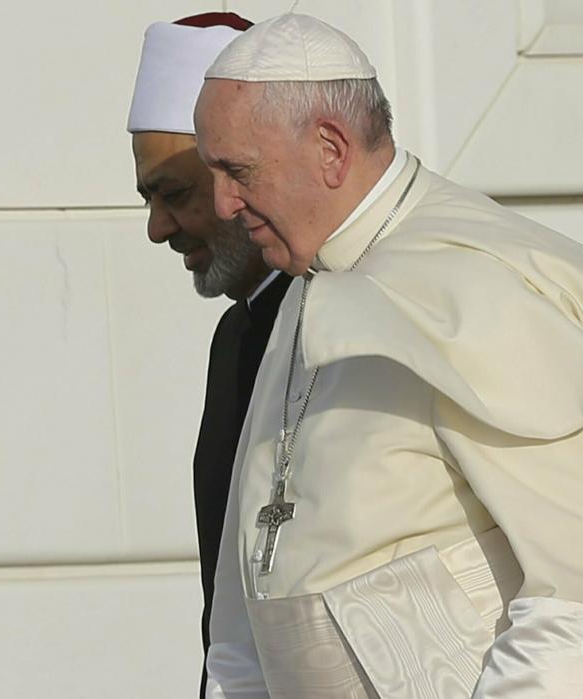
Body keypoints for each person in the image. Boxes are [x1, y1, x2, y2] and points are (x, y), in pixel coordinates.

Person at [194, 12, 583, 698]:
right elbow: (242, 623)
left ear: (330, 149)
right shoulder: (305, 285)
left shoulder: (482, 281)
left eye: (239, 171)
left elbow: (572, 592)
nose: (224, 203)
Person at [126, 13, 291, 697]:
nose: (157, 228)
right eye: (150, 199)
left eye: (175, 195)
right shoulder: (235, 337)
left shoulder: (353, 315)